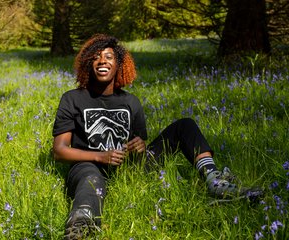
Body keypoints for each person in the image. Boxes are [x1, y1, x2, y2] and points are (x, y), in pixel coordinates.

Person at [52, 34, 263, 239]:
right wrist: (99, 157)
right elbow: (60, 151)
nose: (102, 61)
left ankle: (214, 180)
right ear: (88, 64)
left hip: (130, 169)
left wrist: (140, 146)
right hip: (89, 165)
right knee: (91, 178)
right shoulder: (73, 98)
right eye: (96, 57)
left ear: (119, 64)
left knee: (185, 125)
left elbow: (138, 142)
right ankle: (82, 221)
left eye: (108, 57)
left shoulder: (131, 102)